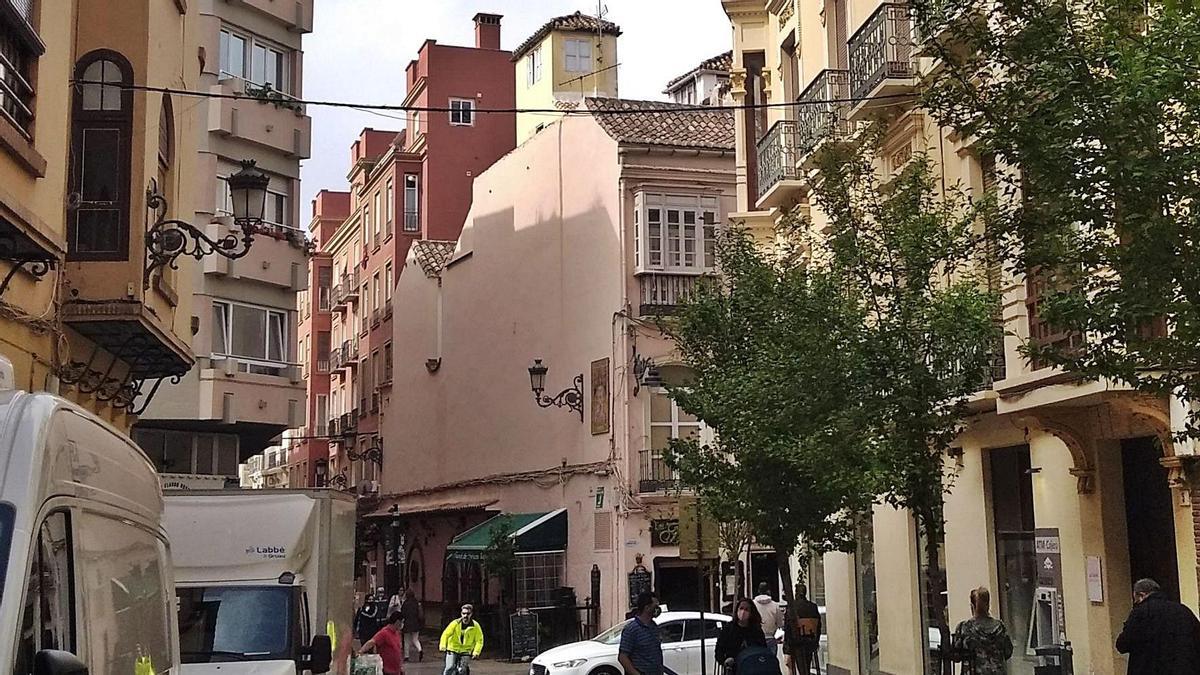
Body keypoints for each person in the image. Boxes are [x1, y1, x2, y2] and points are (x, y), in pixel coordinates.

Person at [1115, 578, 1200, 674]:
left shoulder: (1140, 613)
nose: (1136, 604)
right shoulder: (1183, 610)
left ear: (1141, 595)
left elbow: (1122, 644)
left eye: (1136, 600)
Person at [951, 587, 1012, 675]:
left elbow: (955, 656)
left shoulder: (964, 628)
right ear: (988, 605)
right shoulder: (1000, 627)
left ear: (972, 606)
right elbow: (1008, 652)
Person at [619, 592, 664, 675]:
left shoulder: (654, 627)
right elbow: (623, 657)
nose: (657, 610)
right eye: (655, 606)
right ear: (647, 608)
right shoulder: (632, 629)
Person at [717, 598, 768, 671]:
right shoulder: (728, 629)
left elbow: (763, 649)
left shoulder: (756, 630)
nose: (743, 612)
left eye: (747, 609)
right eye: (741, 608)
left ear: (751, 613)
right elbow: (719, 650)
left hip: (753, 668)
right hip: (733, 669)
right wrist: (725, 661)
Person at [783, 584, 821, 675]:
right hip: (810, 641)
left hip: (796, 642)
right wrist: (816, 641)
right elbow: (818, 625)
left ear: (796, 593)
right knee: (806, 663)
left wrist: (786, 644)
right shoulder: (813, 606)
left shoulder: (792, 607)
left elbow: (787, 627)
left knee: (793, 665)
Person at [440, 604, 484, 675]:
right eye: (463, 613)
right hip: (453, 648)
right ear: (461, 613)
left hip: (466, 650)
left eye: (468, 614)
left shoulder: (475, 626)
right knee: (450, 667)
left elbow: (479, 640)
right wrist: (443, 645)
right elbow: (446, 634)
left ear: (471, 614)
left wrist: (476, 652)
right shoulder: (455, 623)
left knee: (462, 670)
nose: (465, 616)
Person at [753, 583, 781, 652]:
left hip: (756, 638)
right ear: (768, 591)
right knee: (771, 660)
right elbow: (780, 623)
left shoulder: (752, 604)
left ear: (758, 591)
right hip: (771, 638)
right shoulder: (775, 605)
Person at [400, 589, 424, 662]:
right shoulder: (416, 603)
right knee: (415, 639)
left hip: (407, 624)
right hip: (416, 623)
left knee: (406, 640)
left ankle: (406, 656)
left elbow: (402, 613)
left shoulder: (405, 604)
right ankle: (420, 650)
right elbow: (420, 615)